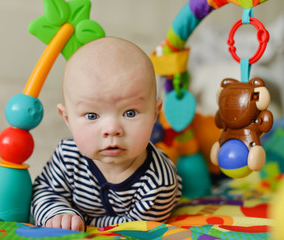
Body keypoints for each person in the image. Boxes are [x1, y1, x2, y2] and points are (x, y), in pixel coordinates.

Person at [31, 37, 182, 231]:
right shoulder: (67, 156)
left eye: (130, 113)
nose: (112, 129)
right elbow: (43, 190)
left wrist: (83, 220)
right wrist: (59, 213)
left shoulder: (159, 183)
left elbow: (136, 227)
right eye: (92, 115)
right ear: (67, 118)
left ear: (155, 113)